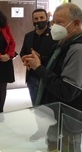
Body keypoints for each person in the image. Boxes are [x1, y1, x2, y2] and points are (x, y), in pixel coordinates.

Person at [22, 3, 82, 152]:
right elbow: (59, 66)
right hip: (56, 117)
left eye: (60, 23)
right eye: (53, 22)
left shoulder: (79, 50)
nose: (54, 27)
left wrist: (38, 68)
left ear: (76, 23)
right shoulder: (66, 42)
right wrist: (42, 60)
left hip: (68, 122)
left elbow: (67, 91)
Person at [20, 8, 57, 141]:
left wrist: (40, 60)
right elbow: (22, 52)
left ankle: (52, 133)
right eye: (36, 19)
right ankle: (41, 130)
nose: (39, 21)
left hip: (47, 77)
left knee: (49, 107)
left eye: (42, 18)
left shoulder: (54, 35)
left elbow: (56, 57)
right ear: (32, 20)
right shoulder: (28, 36)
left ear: (46, 18)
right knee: (37, 106)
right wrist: (26, 58)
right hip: (32, 78)